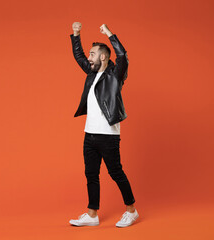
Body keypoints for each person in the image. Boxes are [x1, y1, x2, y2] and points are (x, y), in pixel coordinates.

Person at [69, 22, 138, 228]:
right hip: (89, 134)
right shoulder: (91, 73)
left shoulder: (115, 76)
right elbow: (79, 57)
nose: (88, 57)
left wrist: (109, 34)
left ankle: (131, 211)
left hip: (108, 135)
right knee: (91, 174)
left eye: (92, 54)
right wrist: (76, 34)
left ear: (103, 57)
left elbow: (123, 56)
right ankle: (92, 215)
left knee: (115, 172)